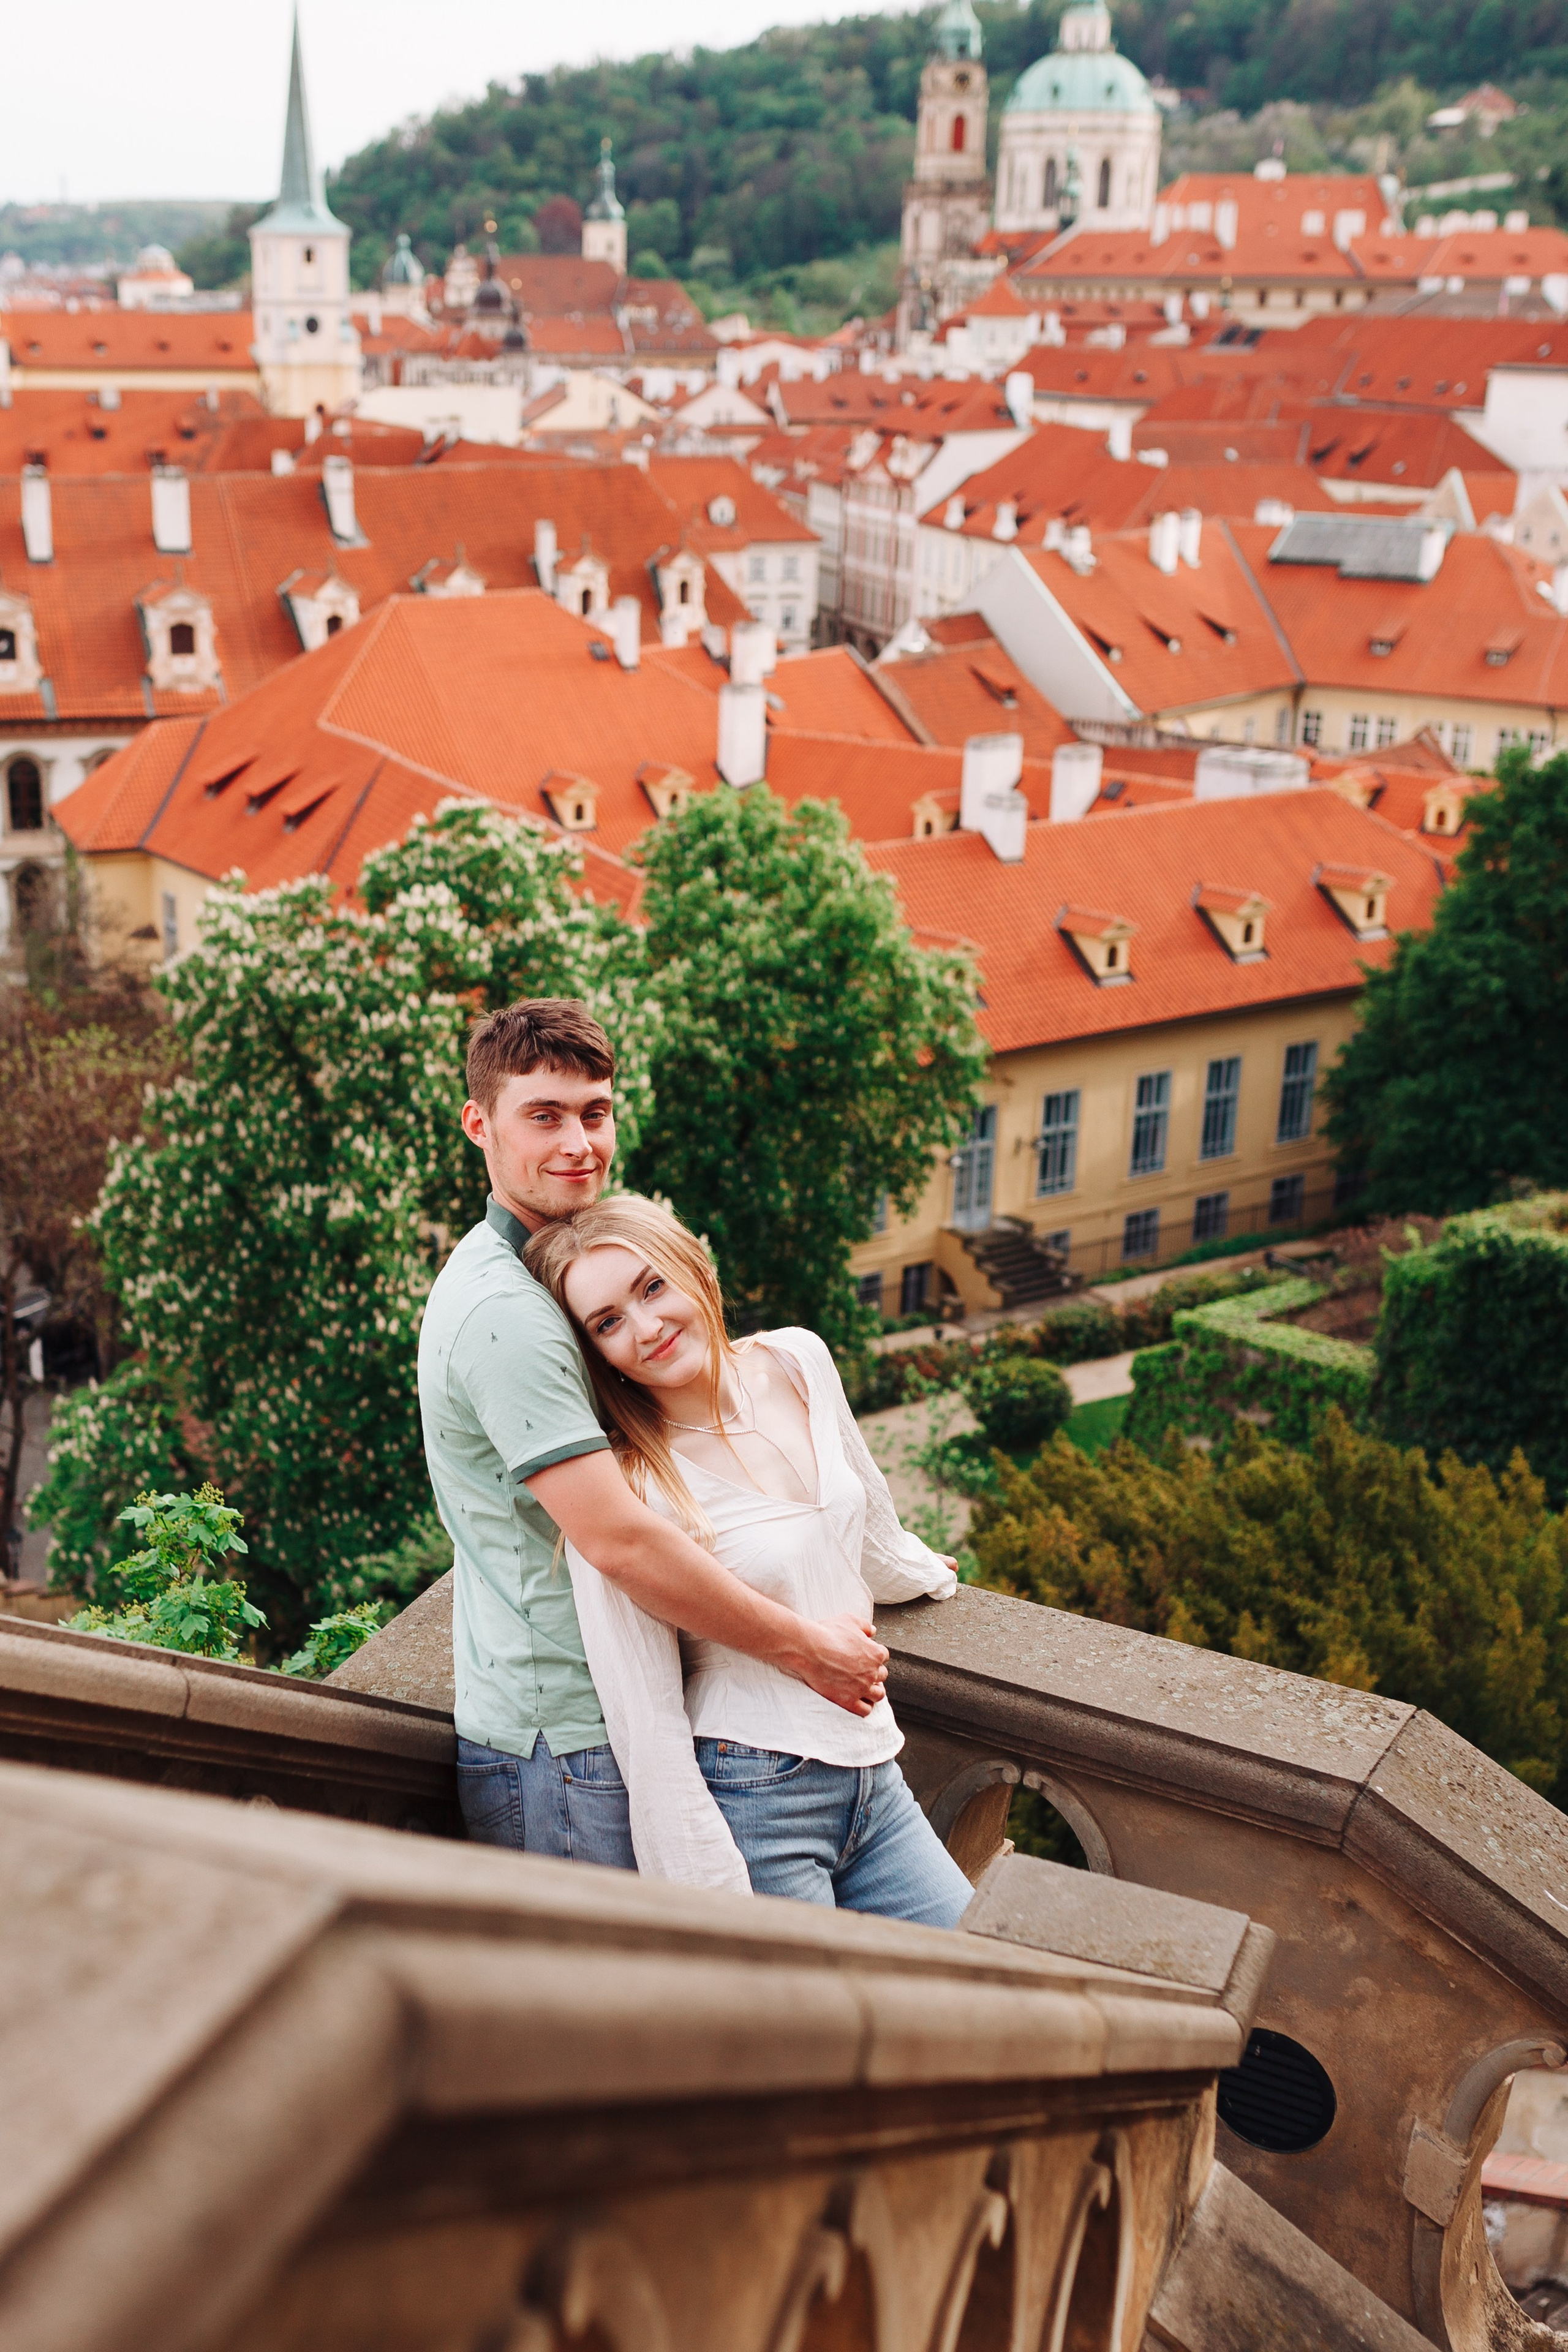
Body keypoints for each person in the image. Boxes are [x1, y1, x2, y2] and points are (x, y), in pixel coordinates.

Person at [418, 998, 891, 1869]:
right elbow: (621, 1541)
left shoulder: (550, 1267)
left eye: (595, 1113)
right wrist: (808, 1650)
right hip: (568, 1741)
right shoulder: (506, 1313)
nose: (577, 1144)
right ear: (479, 1124)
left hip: (609, 1717)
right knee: (615, 2001)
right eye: (544, 1117)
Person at [525, 1193, 976, 1929]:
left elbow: (863, 1519)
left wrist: (920, 1572)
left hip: (872, 1770)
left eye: (651, 1287)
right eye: (607, 1323)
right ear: (595, 1354)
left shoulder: (797, 1359)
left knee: (978, 1989)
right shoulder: (626, 1487)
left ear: (692, 1268)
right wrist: (707, 1892)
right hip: (754, 1791)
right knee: (819, 2040)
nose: (646, 1328)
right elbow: (644, 1715)